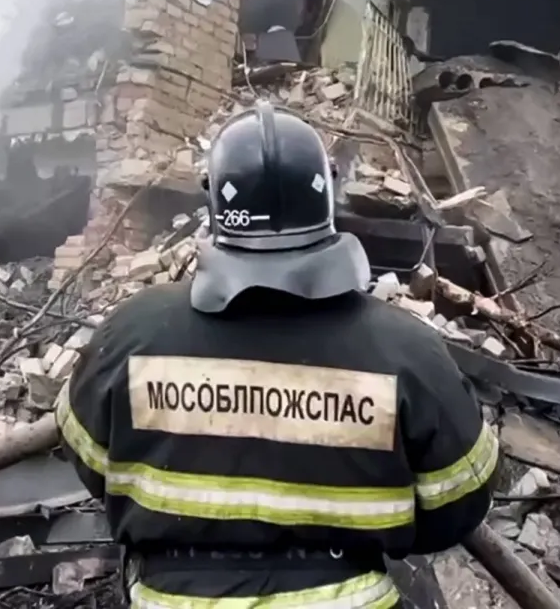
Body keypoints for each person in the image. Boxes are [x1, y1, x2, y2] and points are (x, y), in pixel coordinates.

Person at [55, 102, 497, 608]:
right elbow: (460, 502)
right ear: (327, 193)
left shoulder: (132, 333)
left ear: (213, 200)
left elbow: (88, 459)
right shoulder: (407, 349)